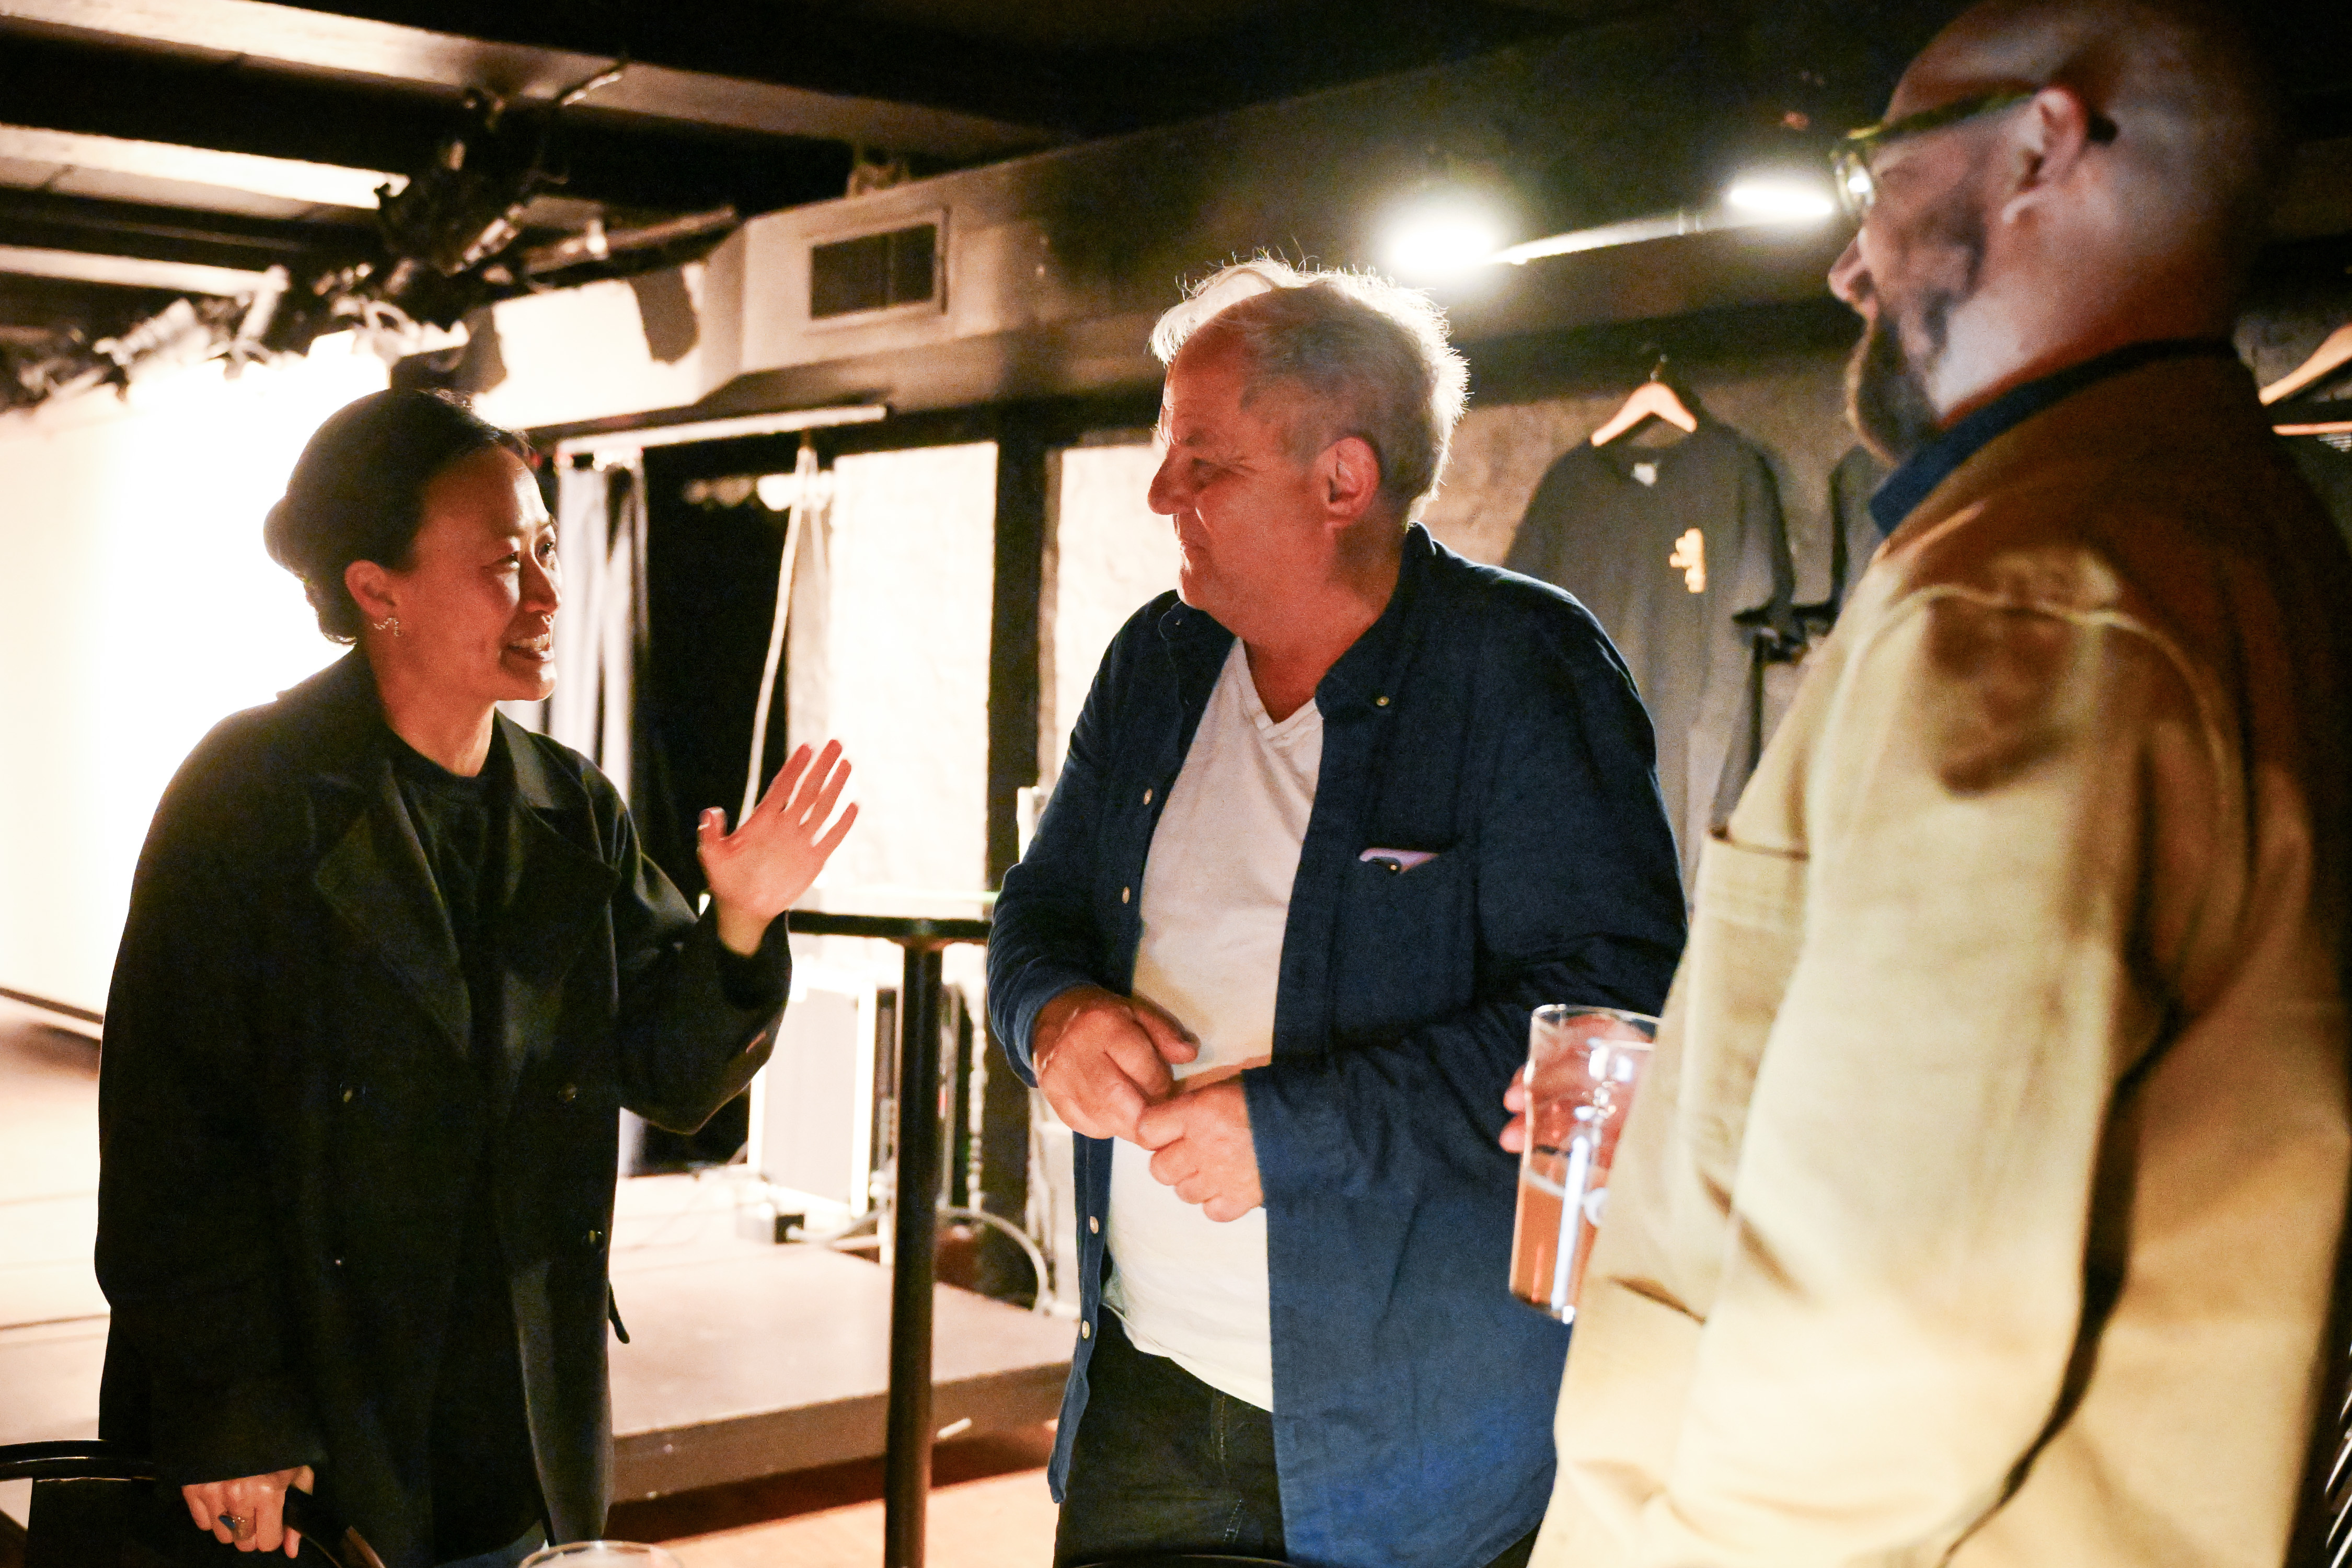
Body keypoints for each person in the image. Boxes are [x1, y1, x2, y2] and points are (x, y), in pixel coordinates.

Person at [1516, 3, 2352, 1564]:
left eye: (1876, 167)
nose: (1850, 264)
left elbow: (1886, 1354)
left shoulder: (2036, 593)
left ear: (2043, 144)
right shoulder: (2228, 531)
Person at [988, 260, 1686, 1568]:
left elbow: (1608, 1017)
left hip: (1410, 1444)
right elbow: (1039, 907)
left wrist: (1297, 1135)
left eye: (1204, 463)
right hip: (1144, 1395)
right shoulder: (1158, 661)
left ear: (1342, 482)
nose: (1161, 494)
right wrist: (1052, 1016)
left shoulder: (1519, 666)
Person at [94, 390, 856, 1568]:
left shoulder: (570, 805)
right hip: (308, 1418)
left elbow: (669, 1076)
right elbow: (170, 1135)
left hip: (511, 1416)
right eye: (507, 564)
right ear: (376, 589)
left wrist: (743, 921)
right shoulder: (251, 793)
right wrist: (234, 1410)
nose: (549, 595)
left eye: (549, 551)